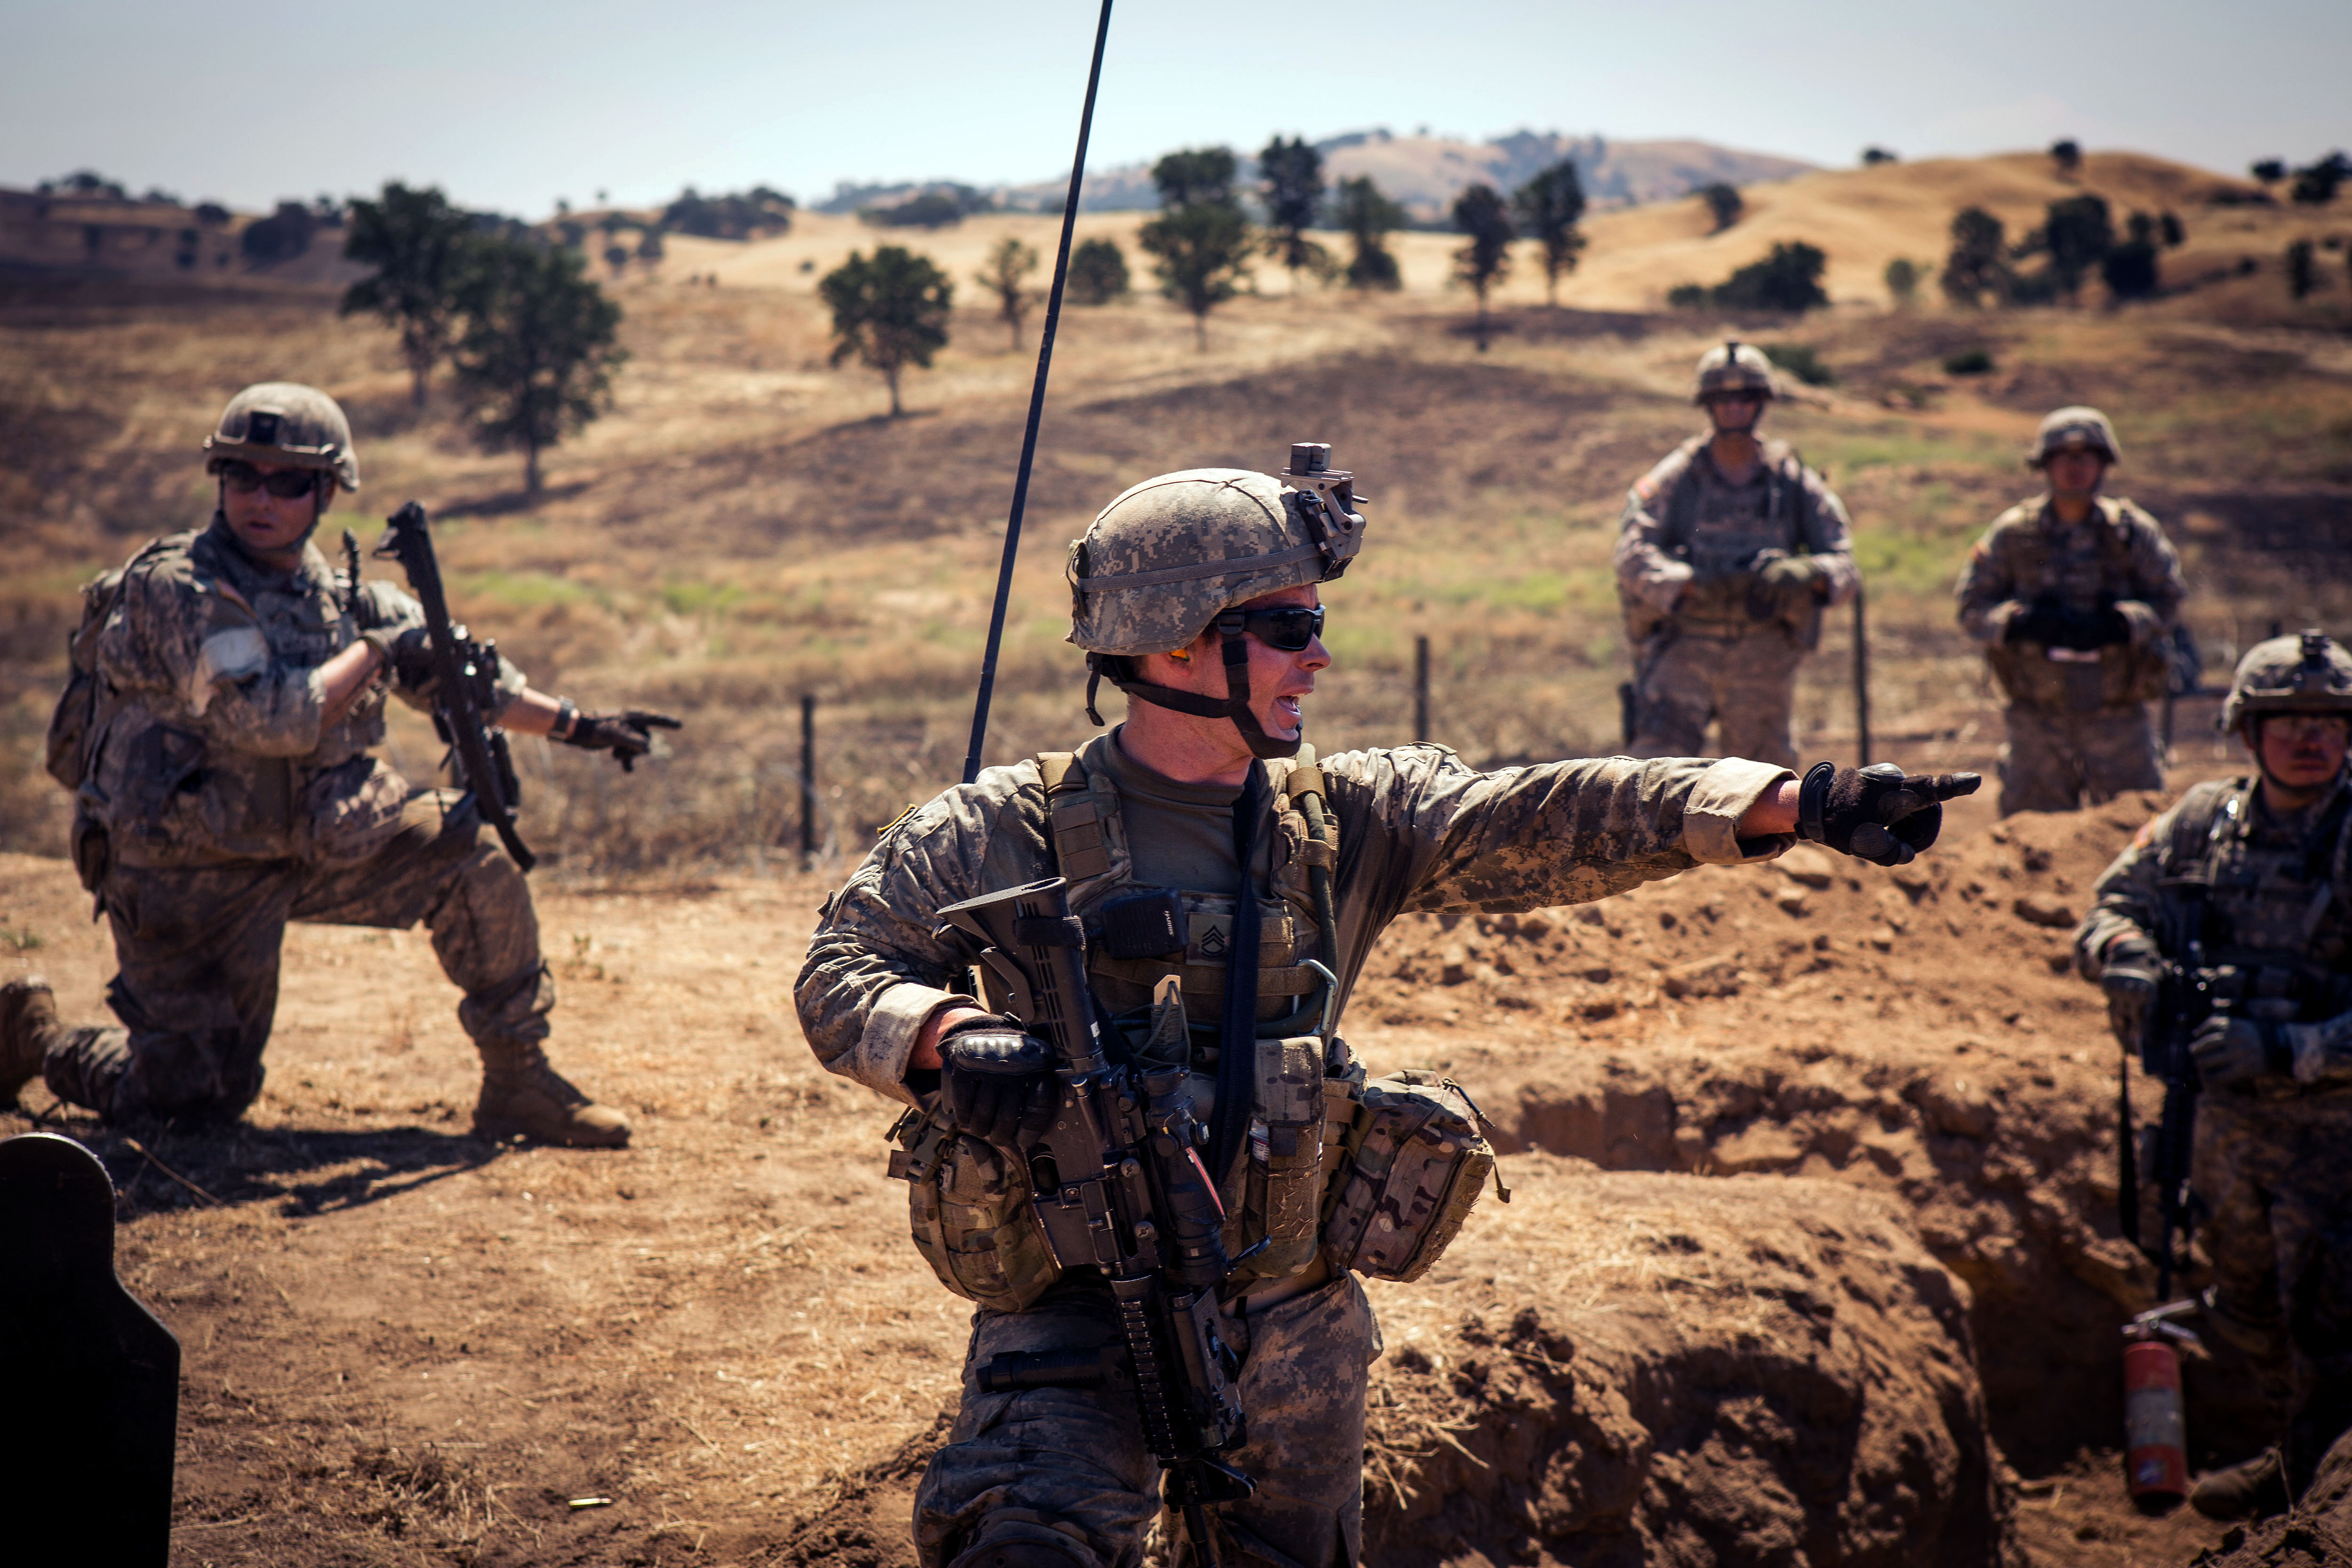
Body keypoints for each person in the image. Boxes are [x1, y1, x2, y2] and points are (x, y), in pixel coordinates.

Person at [796, 447, 1972, 1568]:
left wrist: (1785, 802)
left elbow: (1547, 814)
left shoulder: (1347, 816)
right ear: (1178, 646)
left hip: (1296, 1319)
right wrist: (943, 1036)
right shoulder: (1002, 827)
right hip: (1073, 1307)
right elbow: (843, 963)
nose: (1319, 660)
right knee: (1026, 1542)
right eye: (1291, 629)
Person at [0, 383, 674, 1147]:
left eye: (286, 481)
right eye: (242, 476)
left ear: (325, 490)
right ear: (219, 479)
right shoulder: (176, 586)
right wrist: (384, 649)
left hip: (319, 843)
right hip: (188, 870)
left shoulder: (343, 596)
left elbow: (463, 678)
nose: (261, 497)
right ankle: (35, 1034)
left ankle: (519, 1079)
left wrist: (581, 725)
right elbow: (270, 718)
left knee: (471, 855)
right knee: (191, 1099)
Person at [2075, 631, 2352, 1520]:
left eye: (2329, 722)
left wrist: (2289, 1049)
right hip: (2224, 1126)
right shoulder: (2201, 823)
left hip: (2338, 1132)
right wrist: (2129, 958)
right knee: (2246, 1301)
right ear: (2247, 730)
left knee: (2335, 1325)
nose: (2310, 738)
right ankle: (2296, 1460)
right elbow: (2112, 905)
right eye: (2289, 721)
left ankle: (2324, 1487)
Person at [1612, 340, 1860, 771]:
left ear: (1761, 403)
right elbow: (1631, 554)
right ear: (1707, 405)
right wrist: (1690, 582)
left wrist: (1805, 572)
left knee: (1764, 784)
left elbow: (1846, 566)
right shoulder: (1677, 476)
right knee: (1652, 780)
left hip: (1762, 653)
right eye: (1722, 399)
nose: (1734, 408)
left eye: (1745, 397)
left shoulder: (1790, 480)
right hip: (1685, 648)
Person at [1956, 406, 2187, 816]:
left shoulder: (2132, 532)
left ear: (2104, 463)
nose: (2075, 467)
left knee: (2137, 829)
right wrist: (2020, 622)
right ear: (2045, 465)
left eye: (2086, 456)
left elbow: (2168, 600)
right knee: (2030, 842)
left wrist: (2122, 623)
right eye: (2064, 456)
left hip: (2118, 715)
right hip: (2037, 718)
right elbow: (1972, 607)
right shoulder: (2013, 533)